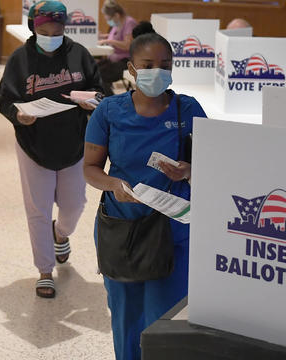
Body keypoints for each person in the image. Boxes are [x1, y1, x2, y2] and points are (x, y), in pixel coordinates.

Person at [83, 30, 207, 360]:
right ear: (132, 67)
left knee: (164, 321)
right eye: (148, 64)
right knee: (127, 319)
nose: (157, 71)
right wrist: (114, 186)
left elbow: (214, 164)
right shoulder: (109, 111)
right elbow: (91, 168)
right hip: (122, 230)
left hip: (173, 232)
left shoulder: (187, 110)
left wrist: (189, 170)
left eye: (165, 64)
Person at [0, 1, 103, 298]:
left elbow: (101, 90)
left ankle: (61, 234)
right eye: (45, 28)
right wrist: (18, 115)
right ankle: (44, 270)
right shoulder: (19, 59)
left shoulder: (79, 54)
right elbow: (5, 99)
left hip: (74, 143)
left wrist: (91, 101)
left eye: (57, 27)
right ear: (34, 27)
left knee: (75, 205)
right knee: (37, 211)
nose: (52, 32)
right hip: (33, 144)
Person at [97, 0, 138, 96]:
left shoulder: (129, 23)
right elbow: (115, 37)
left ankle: (110, 99)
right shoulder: (117, 24)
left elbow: (127, 45)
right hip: (113, 60)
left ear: (116, 15)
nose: (107, 20)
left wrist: (108, 41)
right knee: (93, 69)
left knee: (100, 75)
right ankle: (106, 97)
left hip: (126, 62)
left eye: (108, 18)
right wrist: (103, 36)